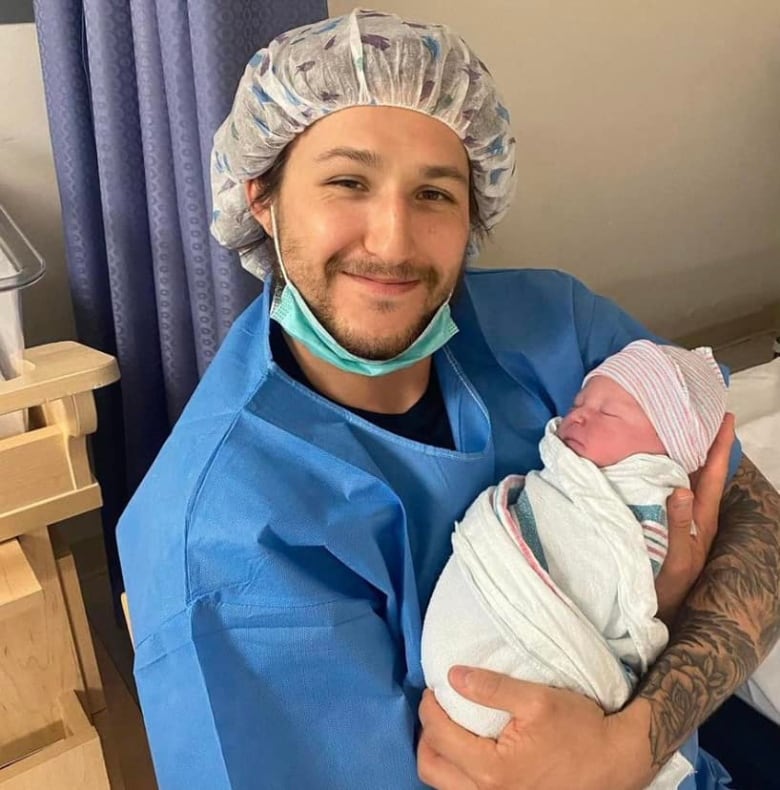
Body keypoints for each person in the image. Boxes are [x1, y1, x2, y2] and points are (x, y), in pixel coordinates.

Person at [116, 9, 780, 790]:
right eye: (348, 183)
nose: (393, 241)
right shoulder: (221, 539)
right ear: (262, 197)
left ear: (475, 212)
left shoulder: (555, 324)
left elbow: (759, 524)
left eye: (433, 193)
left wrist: (636, 739)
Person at [421, 340, 729, 788]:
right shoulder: (569, 477)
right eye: (580, 402)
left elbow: (629, 602)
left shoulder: (647, 500)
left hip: (539, 682)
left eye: (609, 413)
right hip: (471, 682)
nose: (579, 414)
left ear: (668, 448)